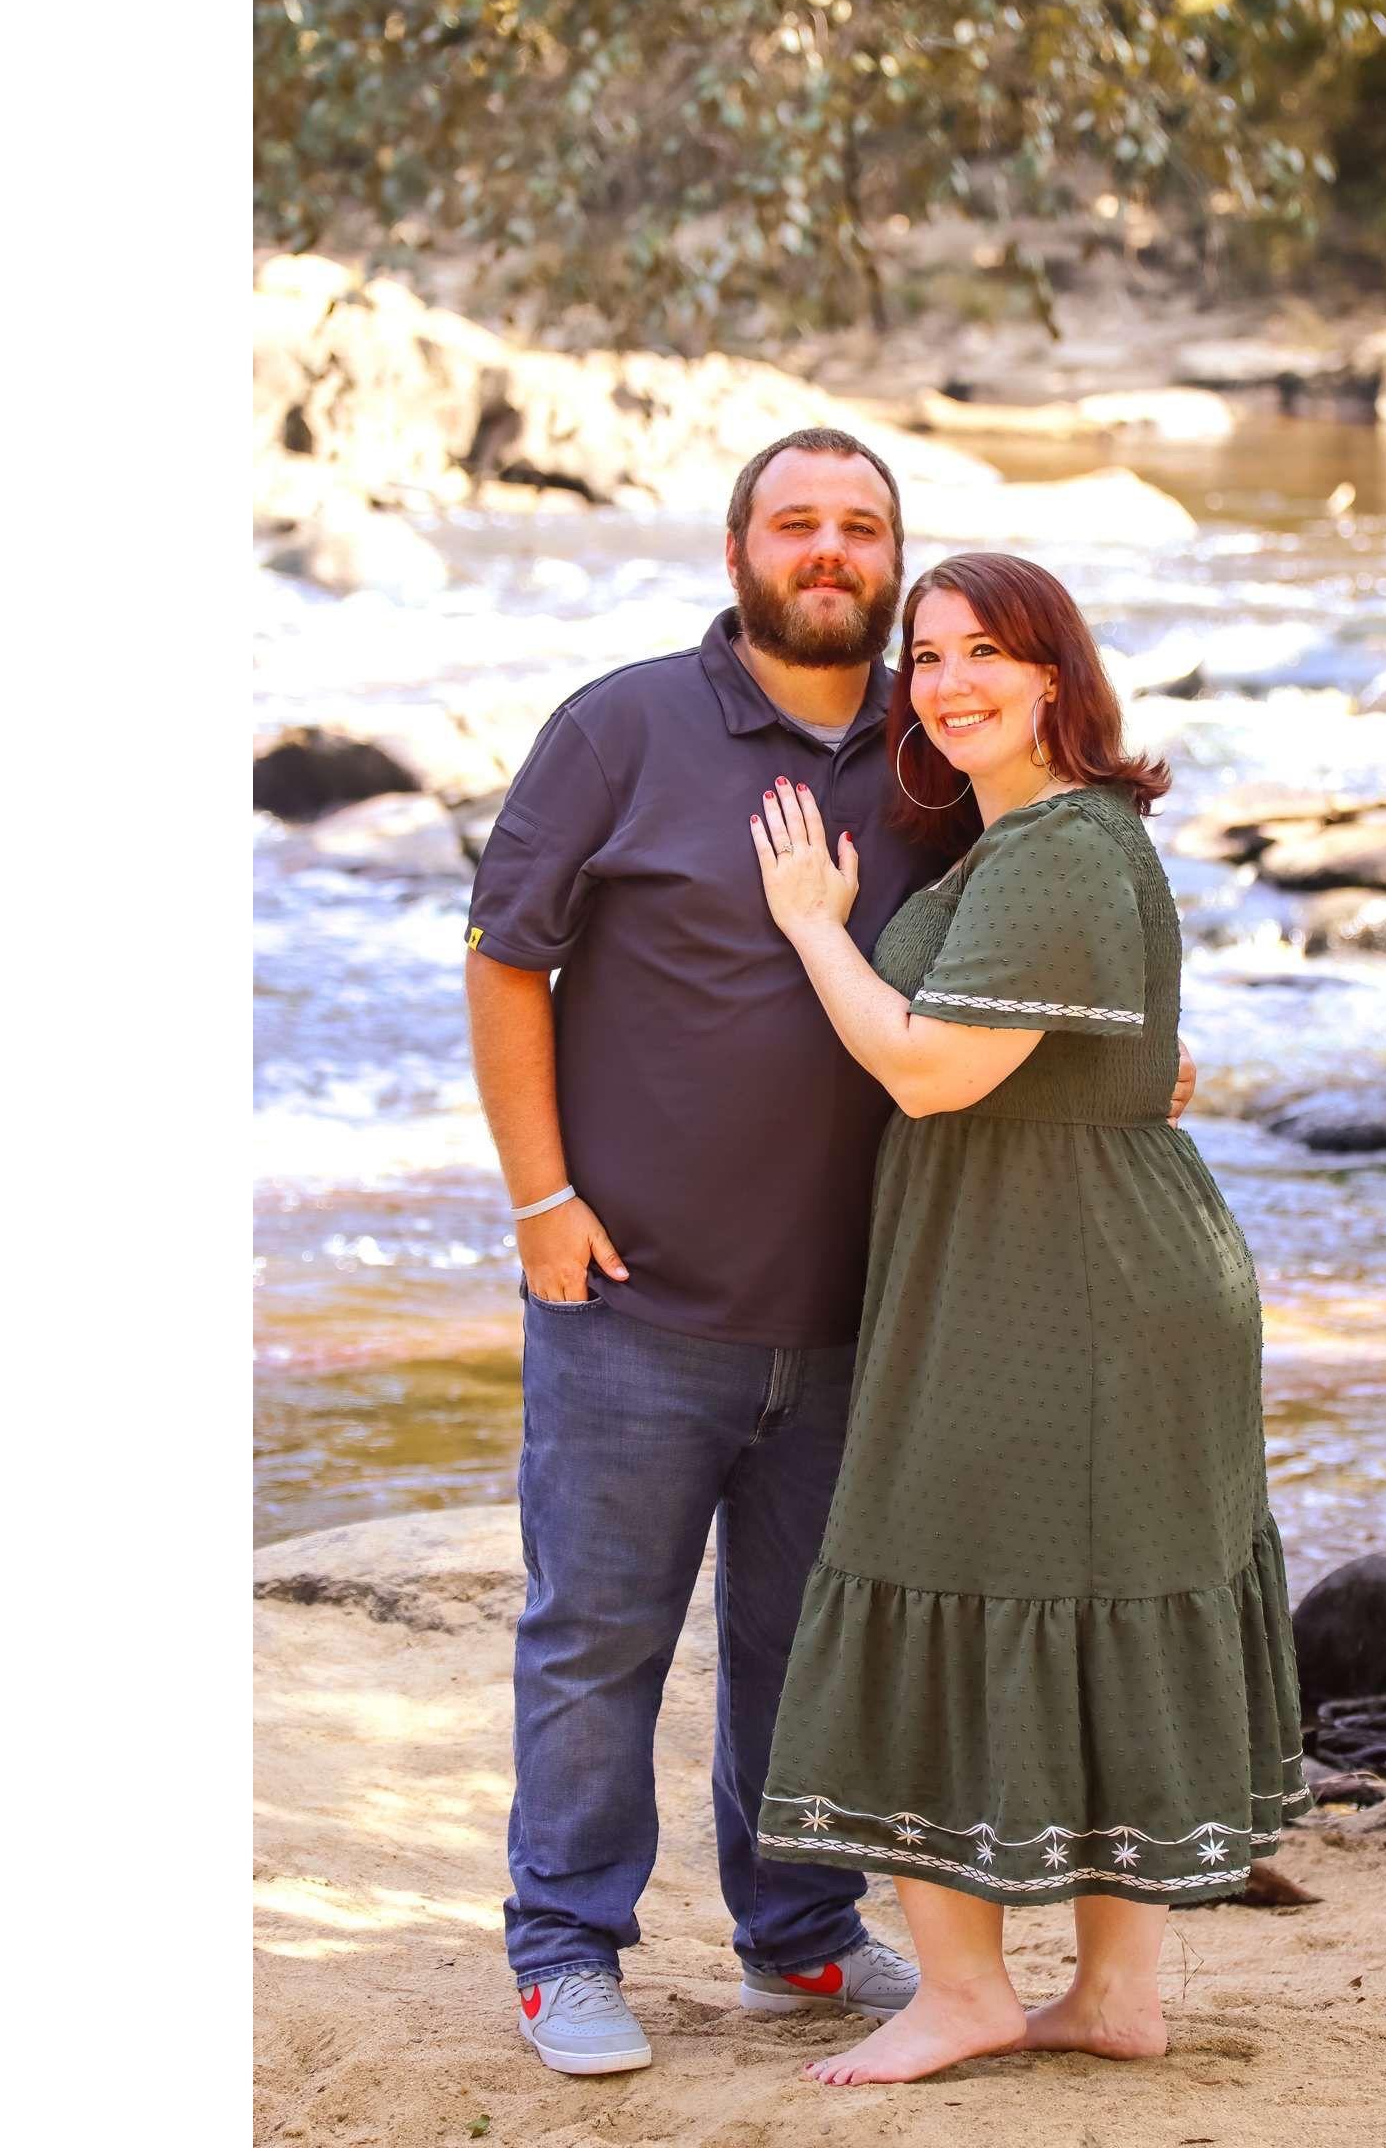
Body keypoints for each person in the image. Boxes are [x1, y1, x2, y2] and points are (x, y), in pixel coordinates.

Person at [462, 431, 1199, 2074]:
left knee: (816, 1645)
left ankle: (798, 1938)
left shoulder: (937, 748)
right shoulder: (620, 728)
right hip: (638, 1296)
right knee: (597, 1639)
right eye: (795, 522)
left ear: (894, 560)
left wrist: (1127, 1061)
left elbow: (1033, 943)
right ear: (737, 550)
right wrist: (539, 1200)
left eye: (861, 527)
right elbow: (506, 958)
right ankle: (566, 1949)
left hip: (880, 1308)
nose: (829, 550)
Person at [747, 552, 1311, 2088]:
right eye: (926, 656)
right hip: (1086, 1260)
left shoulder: (1056, 849)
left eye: (986, 652)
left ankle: (965, 1993)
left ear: (1055, 673)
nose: (949, 683)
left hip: (1062, 1282)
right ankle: (1114, 1996)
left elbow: (930, 1071)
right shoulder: (1057, 836)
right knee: (1090, 1598)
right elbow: (1123, 1056)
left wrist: (812, 926)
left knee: (938, 1569)